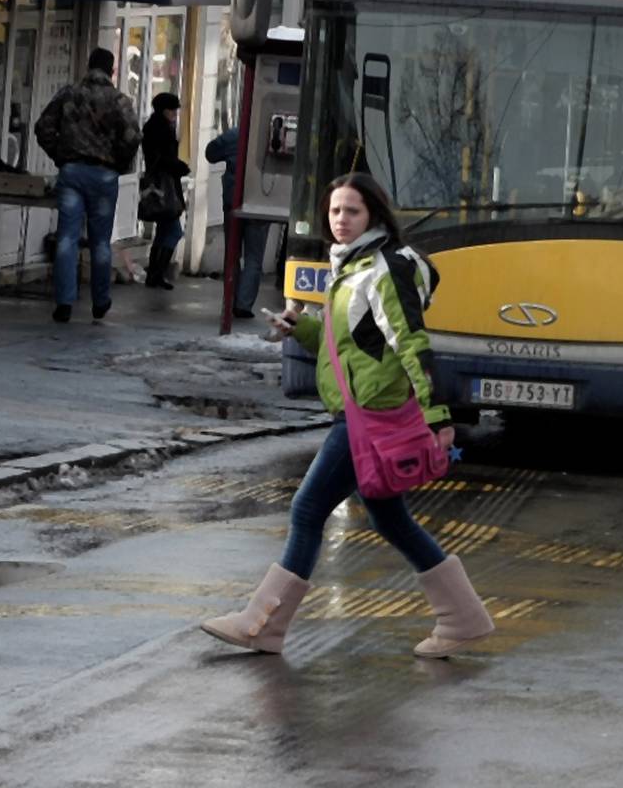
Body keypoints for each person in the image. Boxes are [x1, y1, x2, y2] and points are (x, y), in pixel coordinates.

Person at [201, 173, 496, 658]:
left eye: (352, 211)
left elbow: (410, 342)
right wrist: (303, 329)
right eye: (335, 211)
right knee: (390, 519)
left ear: (374, 215)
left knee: (308, 509)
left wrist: (438, 414)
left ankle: (263, 624)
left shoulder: (383, 269)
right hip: (362, 411)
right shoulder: (353, 267)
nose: (340, 220)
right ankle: (463, 617)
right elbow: (352, 346)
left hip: (369, 415)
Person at [34, 49, 142, 324]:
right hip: (104, 176)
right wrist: (118, 162)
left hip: (72, 172)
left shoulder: (69, 94)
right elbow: (132, 137)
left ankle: (64, 302)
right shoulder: (119, 101)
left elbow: (43, 126)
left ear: (88, 66)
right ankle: (100, 301)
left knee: (67, 237)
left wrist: (60, 155)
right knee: (100, 241)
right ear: (112, 71)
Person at [206, 127, 271, 319]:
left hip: (233, 199)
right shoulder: (268, 133)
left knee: (232, 253)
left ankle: (230, 298)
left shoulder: (234, 134)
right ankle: (243, 304)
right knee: (254, 257)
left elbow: (211, 153)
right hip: (260, 201)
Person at [140, 92, 190, 291]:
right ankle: (157, 273)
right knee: (174, 230)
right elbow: (161, 159)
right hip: (165, 186)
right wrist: (179, 166)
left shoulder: (154, 126)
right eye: (172, 110)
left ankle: (154, 274)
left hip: (161, 185)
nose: (175, 115)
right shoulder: (160, 130)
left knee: (163, 230)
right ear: (164, 110)